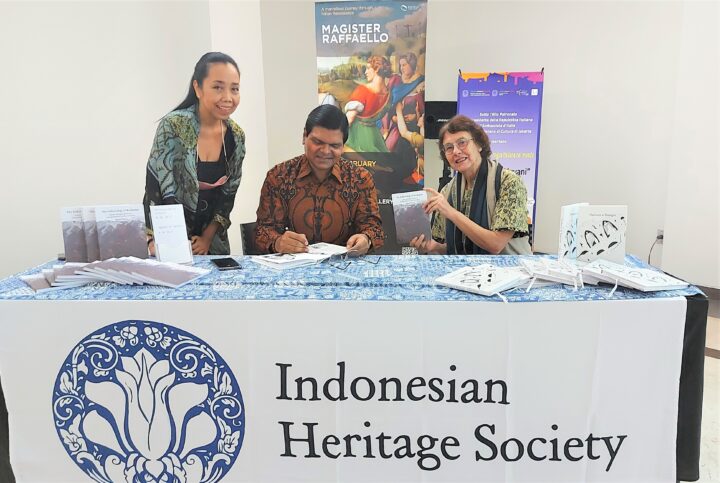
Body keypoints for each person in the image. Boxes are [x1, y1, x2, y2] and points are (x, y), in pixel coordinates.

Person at [143, 52, 246, 256]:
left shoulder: (236, 136)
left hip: (211, 242)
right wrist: (166, 240)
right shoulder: (174, 126)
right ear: (198, 88)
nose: (228, 97)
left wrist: (207, 239)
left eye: (234, 89)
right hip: (169, 237)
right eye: (217, 87)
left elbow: (228, 195)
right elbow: (157, 186)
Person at [254, 105, 384, 255]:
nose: (325, 151)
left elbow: (374, 229)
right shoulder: (278, 176)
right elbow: (262, 231)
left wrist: (365, 239)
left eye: (334, 145)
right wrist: (278, 242)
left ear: (343, 145)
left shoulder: (360, 179)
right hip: (293, 269)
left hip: (345, 268)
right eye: (318, 142)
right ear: (304, 136)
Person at [410, 115, 531, 255]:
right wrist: (435, 247)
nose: (455, 151)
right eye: (449, 147)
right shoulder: (447, 191)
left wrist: (451, 212)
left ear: (479, 145)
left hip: (510, 272)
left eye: (462, 142)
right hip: (467, 274)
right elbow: (462, 248)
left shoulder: (508, 182)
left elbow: (496, 245)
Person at [344, 56, 392, 153]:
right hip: (374, 135)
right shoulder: (389, 95)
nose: (365, 72)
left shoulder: (362, 91)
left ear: (377, 69)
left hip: (357, 135)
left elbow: (348, 120)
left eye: (368, 68)